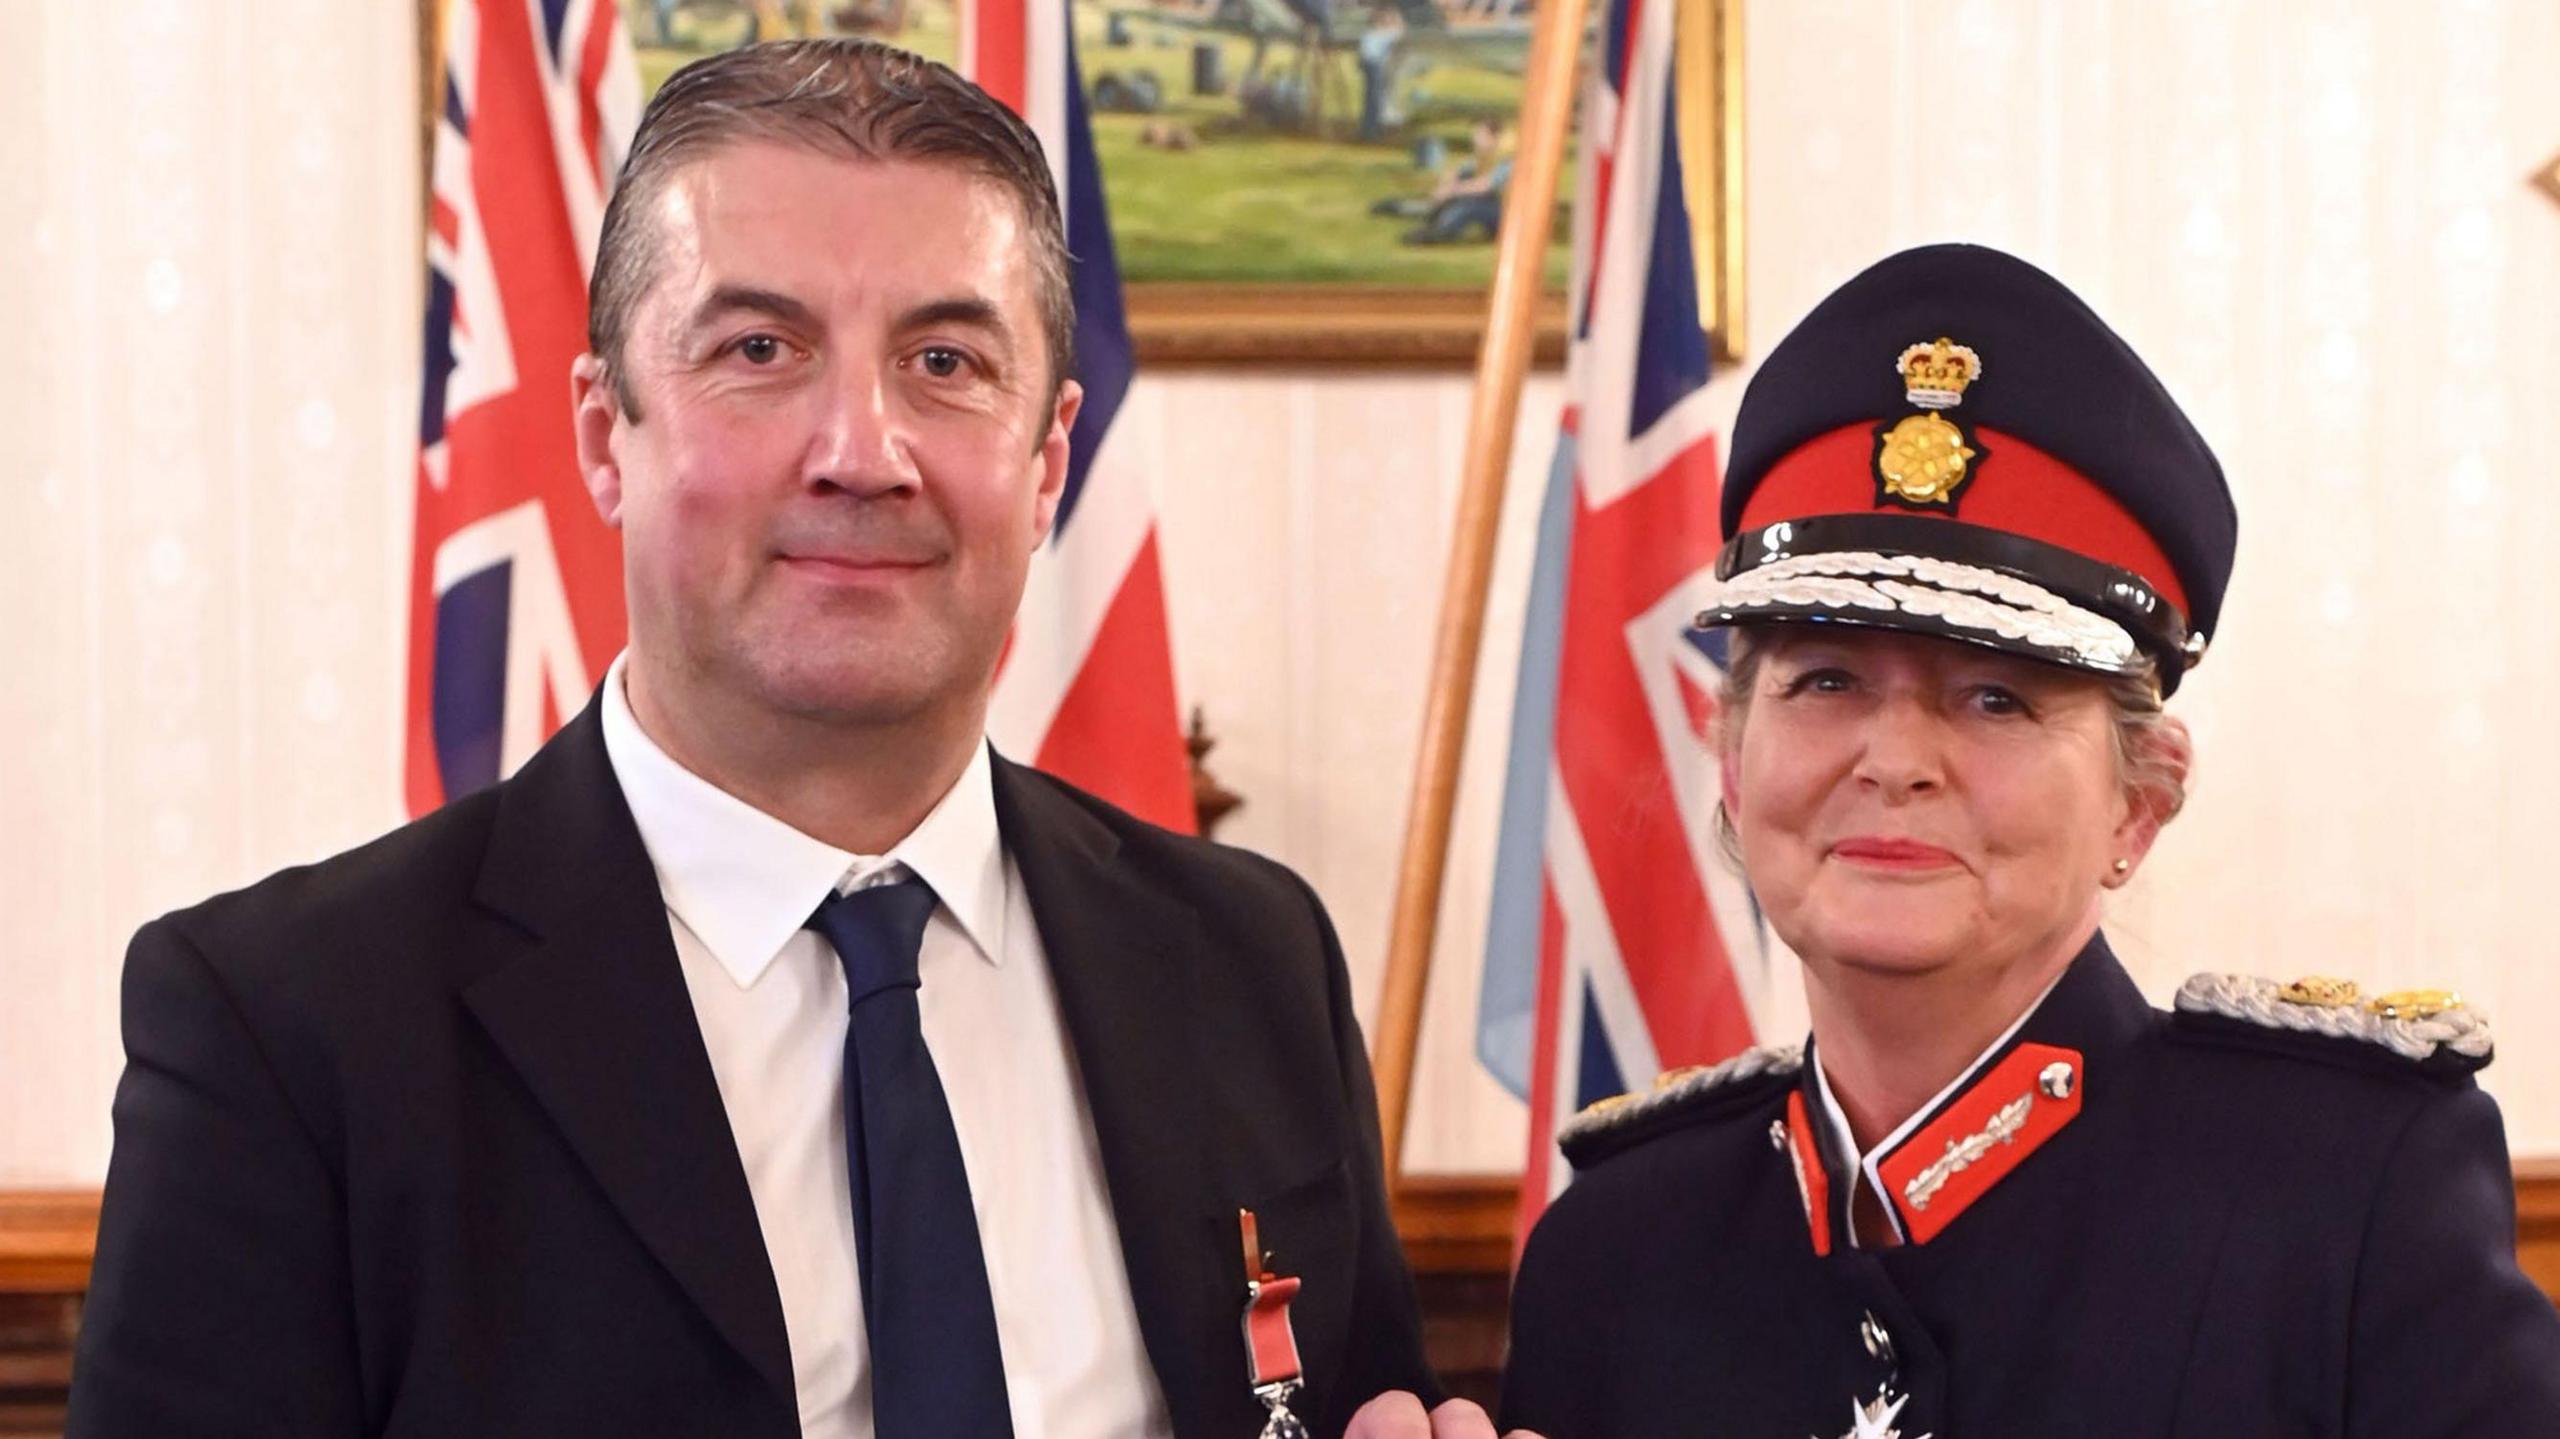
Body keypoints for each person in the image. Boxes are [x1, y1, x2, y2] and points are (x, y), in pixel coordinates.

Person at [68, 39, 1434, 1439]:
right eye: (759, 350)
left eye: (946, 359)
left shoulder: (1251, 960)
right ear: (607, 435)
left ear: (1047, 464)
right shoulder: (290, 1031)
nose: (861, 446)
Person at [1494, 244, 2560, 1437]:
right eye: (1826, 678)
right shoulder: (1614, 1244)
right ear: (1735, 769)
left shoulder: (2349, 1194)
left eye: (1996, 697)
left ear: (2137, 801)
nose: (1893, 757)